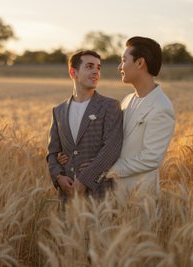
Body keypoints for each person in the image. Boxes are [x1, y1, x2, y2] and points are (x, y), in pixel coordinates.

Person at [46, 50, 123, 201]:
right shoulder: (58, 111)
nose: (96, 71)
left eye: (98, 68)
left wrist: (85, 180)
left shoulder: (110, 106)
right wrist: (59, 177)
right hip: (67, 195)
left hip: (99, 195)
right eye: (89, 66)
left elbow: (111, 149)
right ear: (73, 72)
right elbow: (52, 153)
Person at [108, 36, 175, 191]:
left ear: (140, 63)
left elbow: (151, 158)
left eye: (124, 60)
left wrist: (110, 171)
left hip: (139, 196)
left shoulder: (161, 107)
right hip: (113, 193)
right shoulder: (127, 99)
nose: (119, 67)